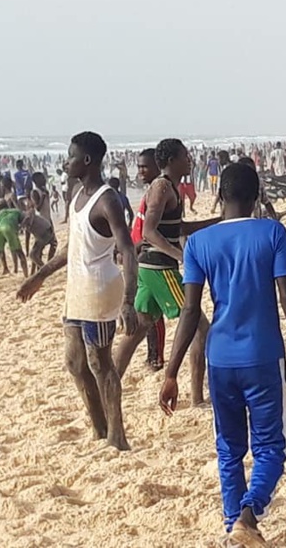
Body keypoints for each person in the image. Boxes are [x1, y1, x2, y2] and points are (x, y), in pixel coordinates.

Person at [159, 163, 286, 546]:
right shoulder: (271, 232)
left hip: (220, 359)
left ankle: (232, 525)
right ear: (257, 197)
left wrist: (171, 373)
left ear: (220, 196)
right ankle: (248, 516)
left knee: (229, 450)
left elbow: (190, 311)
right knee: (272, 447)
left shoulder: (198, 243)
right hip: (263, 355)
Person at [17, 132, 138, 450]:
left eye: (71, 156)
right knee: (75, 364)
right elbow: (73, 246)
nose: (66, 162)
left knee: (100, 364)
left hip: (100, 290)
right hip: (76, 291)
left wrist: (128, 300)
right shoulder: (76, 195)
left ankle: (117, 436)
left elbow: (127, 249)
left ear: (86, 160)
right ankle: (99, 428)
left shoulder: (107, 199)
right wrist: (40, 275)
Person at [115, 139, 219, 407]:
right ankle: (197, 398)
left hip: (150, 268)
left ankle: (109, 387)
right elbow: (149, 232)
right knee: (199, 328)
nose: (189, 160)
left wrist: (218, 221)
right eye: (185, 156)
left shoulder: (170, 187)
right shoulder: (161, 187)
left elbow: (179, 227)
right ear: (172, 160)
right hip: (159, 268)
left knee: (138, 329)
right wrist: (181, 256)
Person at [132, 149, 168, 371]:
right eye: (139, 167)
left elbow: (152, 231)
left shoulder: (158, 194)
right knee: (145, 311)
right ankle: (152, 355)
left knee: (154, 314)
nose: (140, 171)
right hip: (140, 259)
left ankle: (157, 357)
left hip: (150, 259)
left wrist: (134, 248)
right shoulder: (150, 192)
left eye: (144, 167)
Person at [0, 200, 28, 283]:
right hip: (9, 228)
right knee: (20, 253)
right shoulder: (15, 211)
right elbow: (25, 219)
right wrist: (20, 227)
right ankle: (26, 276)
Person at [20, 208, 56, 274]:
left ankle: (45, 269)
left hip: (45, 234)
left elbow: (27, 238)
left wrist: (27, 252)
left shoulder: (29, 223)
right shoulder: (32, 219)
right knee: (35, 253)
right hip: (47, 232)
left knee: (33, 255)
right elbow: (27, 238)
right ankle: (34, 273)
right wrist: (27, 251)